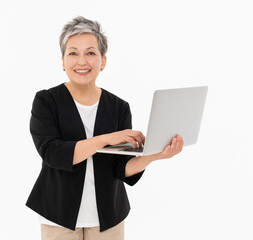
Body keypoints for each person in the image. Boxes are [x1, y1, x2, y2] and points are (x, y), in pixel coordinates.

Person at [25, 16, 184, 240]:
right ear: (62, 61)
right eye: (73, 53)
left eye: (90, 53)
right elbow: (53, 153)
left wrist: (154, 155)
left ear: (103, 61)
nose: (82, 61)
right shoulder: (46, 101)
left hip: (108, 218)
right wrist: (106, 139)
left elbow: (121, 169)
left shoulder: (119, 107)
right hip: (58, 214)